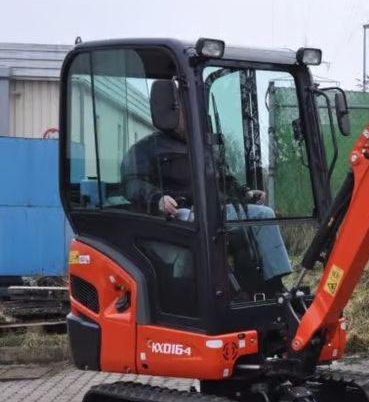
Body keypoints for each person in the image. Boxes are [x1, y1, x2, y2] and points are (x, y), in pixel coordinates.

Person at [121, 79, 292, 290]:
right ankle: (194, 291)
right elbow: (133, 183)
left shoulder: (204, 148)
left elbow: (224, 179)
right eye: (188, 109)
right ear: (171, 112)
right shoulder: (146, 149)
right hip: (178, 214)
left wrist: (245, 193)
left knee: (263, 214)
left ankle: (274, 285)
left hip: (212, 210)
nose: (197, 116)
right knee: (199, 227)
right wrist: (157, 199)